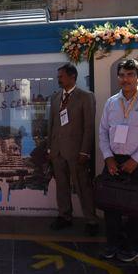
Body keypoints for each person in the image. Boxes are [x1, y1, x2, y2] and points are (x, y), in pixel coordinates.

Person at [98, 59, 138, 261]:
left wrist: (135, 159)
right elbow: (103, 132)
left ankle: (134, 245)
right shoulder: (111, 103)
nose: (125, 79)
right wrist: (108, 157)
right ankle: (112, 244)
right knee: (111, 204)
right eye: (122, 75)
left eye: (130, 75)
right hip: (114, 161)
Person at [47, 63, 99, 235]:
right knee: (61, 186)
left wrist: (85, 151)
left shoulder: (86, 97)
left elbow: (89, 126)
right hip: (57, 151)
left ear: (72, 77)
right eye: (58, 77)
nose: (58, 79)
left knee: (83, 186)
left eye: (61, 76)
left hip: (77, 152)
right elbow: (52, 125)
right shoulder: (55, 97)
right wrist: (50, 149)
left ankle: (91, 220)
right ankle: (64, 216)